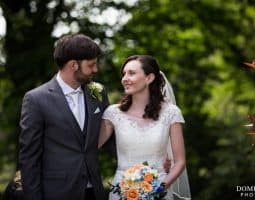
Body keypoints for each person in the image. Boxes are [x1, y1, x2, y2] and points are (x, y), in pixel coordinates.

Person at [19, 34, 110, 200]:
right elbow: (29, 158)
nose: (96, 70)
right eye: (91, 65)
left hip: (95, 192)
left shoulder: (98, 93)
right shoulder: (36, 99)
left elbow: (110, 137)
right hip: (58, 192)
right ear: (73, 65)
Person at [98, 55, 190, 200]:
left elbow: (180, 162)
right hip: (121, 192)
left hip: (160, 192)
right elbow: (89, 147)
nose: (124, 78)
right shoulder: (113, 113)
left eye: (131, 73)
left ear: (149, 78)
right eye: (124, 74)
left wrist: (157, 191)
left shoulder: (171, 113)